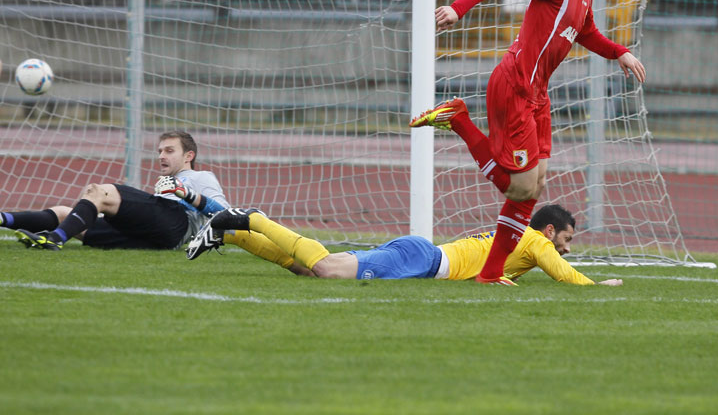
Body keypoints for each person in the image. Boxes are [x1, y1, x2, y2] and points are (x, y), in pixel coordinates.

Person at [408, 0, 646, 285]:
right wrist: (458, 8)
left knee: (534, 186)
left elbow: (587, 32)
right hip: (514, 87)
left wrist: (619, 53)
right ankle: (459, 120)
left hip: (538, 94)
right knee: (516, 188)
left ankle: (490, 274)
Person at [186, 203, 623, 287]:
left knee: (306, 269)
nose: (565, 249)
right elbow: (563, 274)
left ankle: (233, 234)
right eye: (565, 240)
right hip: (421, 259)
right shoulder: (535, 239)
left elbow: (490, 266)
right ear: (550, 232)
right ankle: (252, 218)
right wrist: (595, 285)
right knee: (323, 268)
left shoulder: (519, 240)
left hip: (421, 256)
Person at [2, 131, 230, 250]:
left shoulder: (200, 177)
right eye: (160, 150)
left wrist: (189, 196)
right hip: (155, 239)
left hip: (176, 223)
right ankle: (3, 218)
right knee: (65, 214)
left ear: (189, 156)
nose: (161, 156)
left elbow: (227, 217)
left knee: (99, 191)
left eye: (169, 150)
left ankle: (54, 240)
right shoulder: (166, 185)